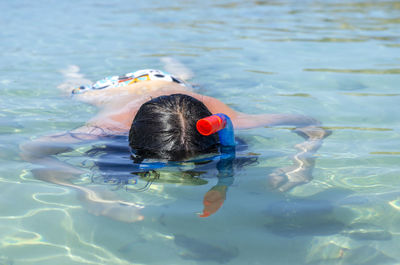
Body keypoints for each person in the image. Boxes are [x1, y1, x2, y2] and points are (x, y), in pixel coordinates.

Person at [20, 59, 330, 222]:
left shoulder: (232, 121)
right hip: (117, 89)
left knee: (189, 80)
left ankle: (177, 65)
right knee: (74, 91)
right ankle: (70, 72)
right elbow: (31, 150)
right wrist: (86, 190)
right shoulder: (106, 126)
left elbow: (310, 125)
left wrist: (303, 163)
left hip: (173, 84)